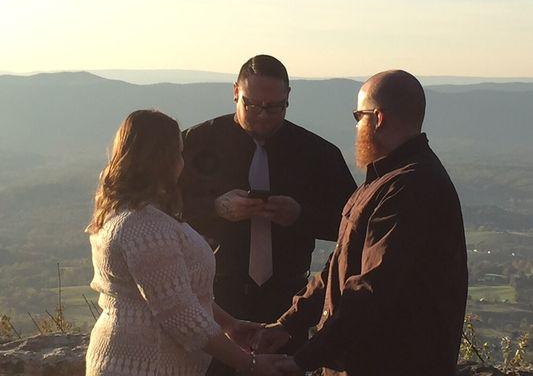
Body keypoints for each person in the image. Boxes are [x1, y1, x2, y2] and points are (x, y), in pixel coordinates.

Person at [258, 70, 469, 376]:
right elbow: (340, 262)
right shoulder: (383, 180)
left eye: (359, 116)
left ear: (378, 118)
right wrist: (289, 324)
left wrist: (302, 360)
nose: (357, 126)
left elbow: (372, 289)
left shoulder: (412, 187)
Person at [179, 55, 356, 374]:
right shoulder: (194, 144)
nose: (263, 114)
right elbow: (160, 213)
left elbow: (353, 225)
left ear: (289, 98)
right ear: (235, 92)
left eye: (275, 107)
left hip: (288, 303)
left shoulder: (318, 154)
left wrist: (301, 216)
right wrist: (216, 209)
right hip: (215, 299)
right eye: (253, 104)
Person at [85, 109, 285, 376]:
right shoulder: (146, 227)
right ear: (164, 159)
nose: (182, 162)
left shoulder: (126, 211)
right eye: (179, 153)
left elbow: (176, 290)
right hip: (143, 365)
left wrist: (230, 324)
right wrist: (250, 364)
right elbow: (181, 315)